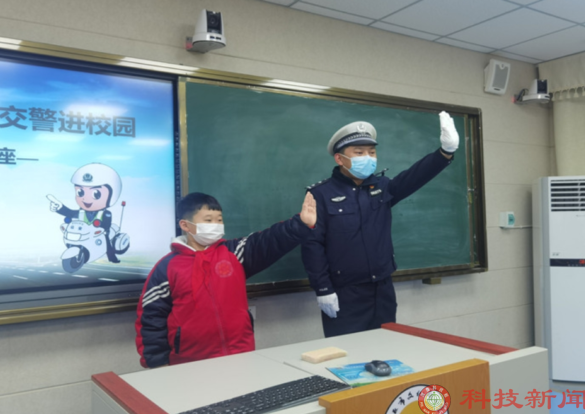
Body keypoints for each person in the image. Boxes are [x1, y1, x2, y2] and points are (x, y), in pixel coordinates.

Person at [302, 112, 459, 337]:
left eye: (372, 152)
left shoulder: (382, 187)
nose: (367, 157)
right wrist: (323, 288)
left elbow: (415, 177)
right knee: (349, 355)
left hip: (383, 290)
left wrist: (445, 153)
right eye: (359, 153)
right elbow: (312, 245)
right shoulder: (320, 194)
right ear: (339, 158)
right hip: (344, 293)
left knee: (386, 350)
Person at [135, 191, 316, 368]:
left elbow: (268, 241)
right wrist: (157, 362)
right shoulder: (167, 267)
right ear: (185, 225)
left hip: (240, 355)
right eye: (208, 220)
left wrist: (301, 224)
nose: (215, 225)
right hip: (189, 363)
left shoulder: (233, 253)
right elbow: (151, 317)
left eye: (219, 220)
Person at [48, 163, 123, 263]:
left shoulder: (106, 213)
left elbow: (106, 224)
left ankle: (112, 257)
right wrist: (59, 208)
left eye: (96, 194)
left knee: (106, 241)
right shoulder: (81, 212)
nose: (85, 199)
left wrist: (101, 226)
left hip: (100, 233)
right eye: (80, 192)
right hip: (84, 233)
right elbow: (70, 213)